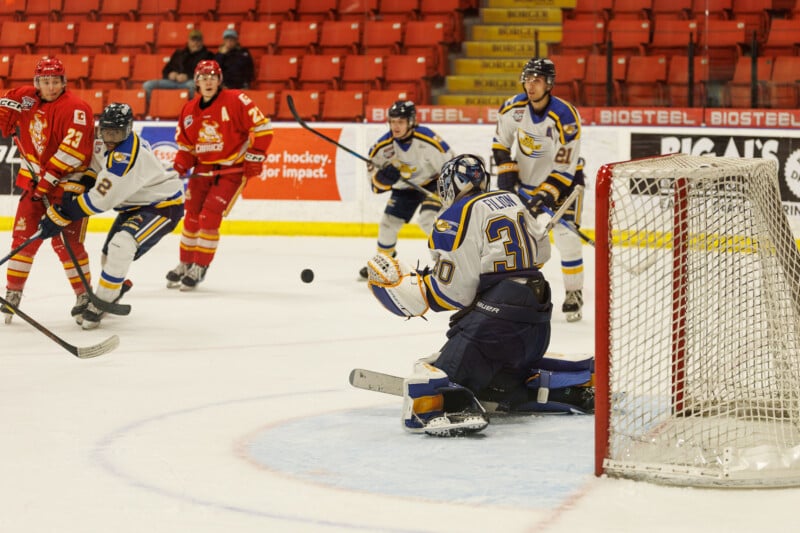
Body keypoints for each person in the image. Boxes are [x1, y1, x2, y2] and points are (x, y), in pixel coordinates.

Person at [365, 154, 594, 437]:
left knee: (432, 373)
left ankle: (451, 405)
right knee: (499, 387)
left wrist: (405, 288)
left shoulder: (451, 217)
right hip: (537, 326)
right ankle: (568, 390)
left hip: (495, 331)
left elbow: (454, 293)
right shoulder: (512, 199)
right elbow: (542, 254)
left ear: (450, 185)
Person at [37, 102, 185, 329]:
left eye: (116, 133)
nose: (110, 138)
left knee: (121, 246)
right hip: (133, 206)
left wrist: (64, 213)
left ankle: (102, 302)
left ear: (127, 130)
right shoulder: (101, 142)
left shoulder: (126, 156)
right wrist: (70, 195)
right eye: (106, 132)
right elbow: (93, 170)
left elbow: (102, 199)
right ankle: (113, 291)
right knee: (109, 257)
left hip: (162, 205)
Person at [0, 56, 95, 325]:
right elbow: (8, 99)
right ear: (37, 82)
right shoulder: (28, 97)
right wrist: (5, 112)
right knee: (21, 239)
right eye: (45, 81)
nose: (50, 87)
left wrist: (46, 182)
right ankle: (13, 292)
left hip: (67, 187)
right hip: (34, 184)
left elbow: (71, 153)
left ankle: (84, 295)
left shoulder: (77, 109)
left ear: (64, 82)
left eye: (55, 81)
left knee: (67, 244)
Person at [492, 57, 586, 322]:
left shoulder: (566, 116)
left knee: (567, 240)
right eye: (528, 79)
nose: (531, 85)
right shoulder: (512, 109)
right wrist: (507, 171)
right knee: (521, 240)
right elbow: (500, 143)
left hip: (565, 185)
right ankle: (523, 291)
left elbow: (565, 168)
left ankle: (574, 292)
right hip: (526, 184)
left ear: (549, 84)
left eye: (538, 80)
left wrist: (545, 194)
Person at [166, 60, 273, 291]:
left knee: (209, 217)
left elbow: (263, 129)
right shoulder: (188, 110)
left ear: (220, 80)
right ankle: (185, 262)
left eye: (213, 77)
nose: (208, 81)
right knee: (192, 216)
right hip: (203, 169)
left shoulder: (237, 100)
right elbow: (186, 147)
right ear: (196, 81)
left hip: (230, 170)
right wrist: (180, 166)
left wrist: (255, 156)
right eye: (203, 77)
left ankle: (200, 266)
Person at [359, 100, 455, 280]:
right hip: (405, 188)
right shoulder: (381, 148)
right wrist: (383, 179)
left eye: (400, 122)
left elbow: (451, 167)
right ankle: (384, 262)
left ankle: (448, 260)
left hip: (434, 184)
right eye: (393, 122)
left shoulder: (428, 140)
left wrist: (446, 192)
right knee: (388, 223)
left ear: (411, 122)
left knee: (428, 220)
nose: (396, 126)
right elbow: (375, 186)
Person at [142, 28, 214, 111]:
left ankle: (191, 111)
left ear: (202, 42)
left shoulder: (208, 55)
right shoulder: (179, 53)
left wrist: (188, 76)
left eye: (198, 40)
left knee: (193, 86)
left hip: (191, 82)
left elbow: (207, 74)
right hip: (172, 82)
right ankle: (153, 110)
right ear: (188, 41)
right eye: (193, 40)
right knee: (148, 85)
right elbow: (165, 70)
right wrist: (170, 74)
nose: (195, 43)